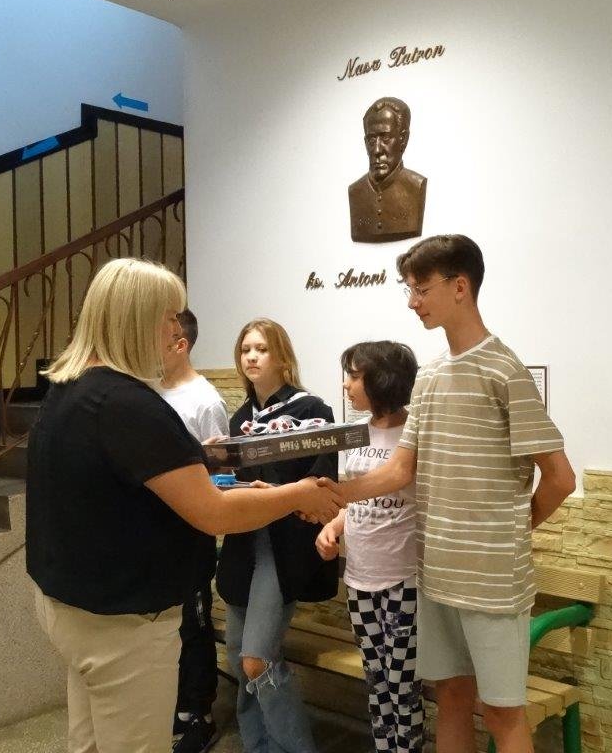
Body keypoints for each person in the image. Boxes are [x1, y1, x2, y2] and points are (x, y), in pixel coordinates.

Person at [25, 259, 342, 753]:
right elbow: (213, 512)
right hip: (123, 622)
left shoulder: (71, 389)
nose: (178, 329)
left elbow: (142, 483)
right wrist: (299, 494)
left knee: (88, 742)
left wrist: (224, 475)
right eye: (169, 316)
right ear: (138, 318)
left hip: (72, 605)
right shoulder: (130, 404)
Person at [319, 236, 577, 753]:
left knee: (502, 713)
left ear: (460, 286)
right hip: (435, 574)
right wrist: (334, 495)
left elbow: (560, 478)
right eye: (409, 290)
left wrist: (514, 528)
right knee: (451, 697)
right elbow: (400, 469)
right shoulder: (431, 376)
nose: (413, 302)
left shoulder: (504, 370)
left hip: (492, 581)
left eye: (421, 289)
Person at [216, 318, 340, 753]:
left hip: (284, 549)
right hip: (243, 546)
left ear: (282, 357)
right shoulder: (239, 420)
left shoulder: (312, 411)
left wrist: (274, 494)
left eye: (261, 349)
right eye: (245, 349)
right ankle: (259, 746)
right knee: (238, 657)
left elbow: (322, 485)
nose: (251, 357)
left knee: (257, 660)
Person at [315, 340, 423, 753]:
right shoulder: (355, 433)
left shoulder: (414, 433)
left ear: (383, 380)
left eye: (355, 376)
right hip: (359, 578)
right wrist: (333, 527)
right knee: (376, 681)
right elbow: (356, 499)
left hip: (402, 580)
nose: (346, 385)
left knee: (402, 685)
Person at [158, 308, 229, 753]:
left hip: (191, 533)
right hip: (154, 533)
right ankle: (175, 705)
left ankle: (199, 714)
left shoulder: (205, 401)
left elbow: (219, 476)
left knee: (194, 623)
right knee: (165, 625)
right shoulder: (147, 393)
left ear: (179, 343)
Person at [348, 97, 427, 243]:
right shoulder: (355, 190)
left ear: (403, 139)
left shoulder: (416, 185)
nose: (377, 150)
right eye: (371, 140)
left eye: (385, 138)